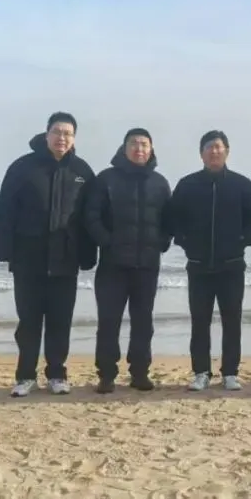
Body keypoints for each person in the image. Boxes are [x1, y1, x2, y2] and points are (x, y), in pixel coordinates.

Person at [0, 112, 96, 397]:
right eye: (57, 132)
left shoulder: (82, 171)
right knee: (28, 321)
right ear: (47, 134)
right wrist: (4, 249)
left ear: (74, 138)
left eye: (68, 133)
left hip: (66, 260)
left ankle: (57, 374)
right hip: (28, 259)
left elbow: (89, 217)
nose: (62, 138)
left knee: (60, 321)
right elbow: (6, 211)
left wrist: (88, 255)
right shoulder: (22, 167)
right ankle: (25, 376)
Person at [168, 130, 251, 391]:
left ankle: (230, 372)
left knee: (232, 321)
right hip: (198, 267)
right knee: (200, 322)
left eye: (218, 147)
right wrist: (185, 241)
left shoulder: (241, 184)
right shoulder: (187, 184)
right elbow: (173, 218)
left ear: (227, 151)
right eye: (209, 147)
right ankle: (201, 372)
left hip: (232, 266)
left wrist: (242, 241)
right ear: (201, 153)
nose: (214, 152)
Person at [84, 128, 172, 393]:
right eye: (134, 143)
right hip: (112, 265)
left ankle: (140, 373)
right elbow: (91, 216)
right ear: (124, 148)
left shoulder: (160, 183)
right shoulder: (106, 179)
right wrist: (106, 241)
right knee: (108, 322)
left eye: (144, 144)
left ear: (151, 149)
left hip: (147, 265)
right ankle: (106, 375)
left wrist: (162, 243)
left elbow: (170, 219)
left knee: (143, 322)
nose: (139, 148)